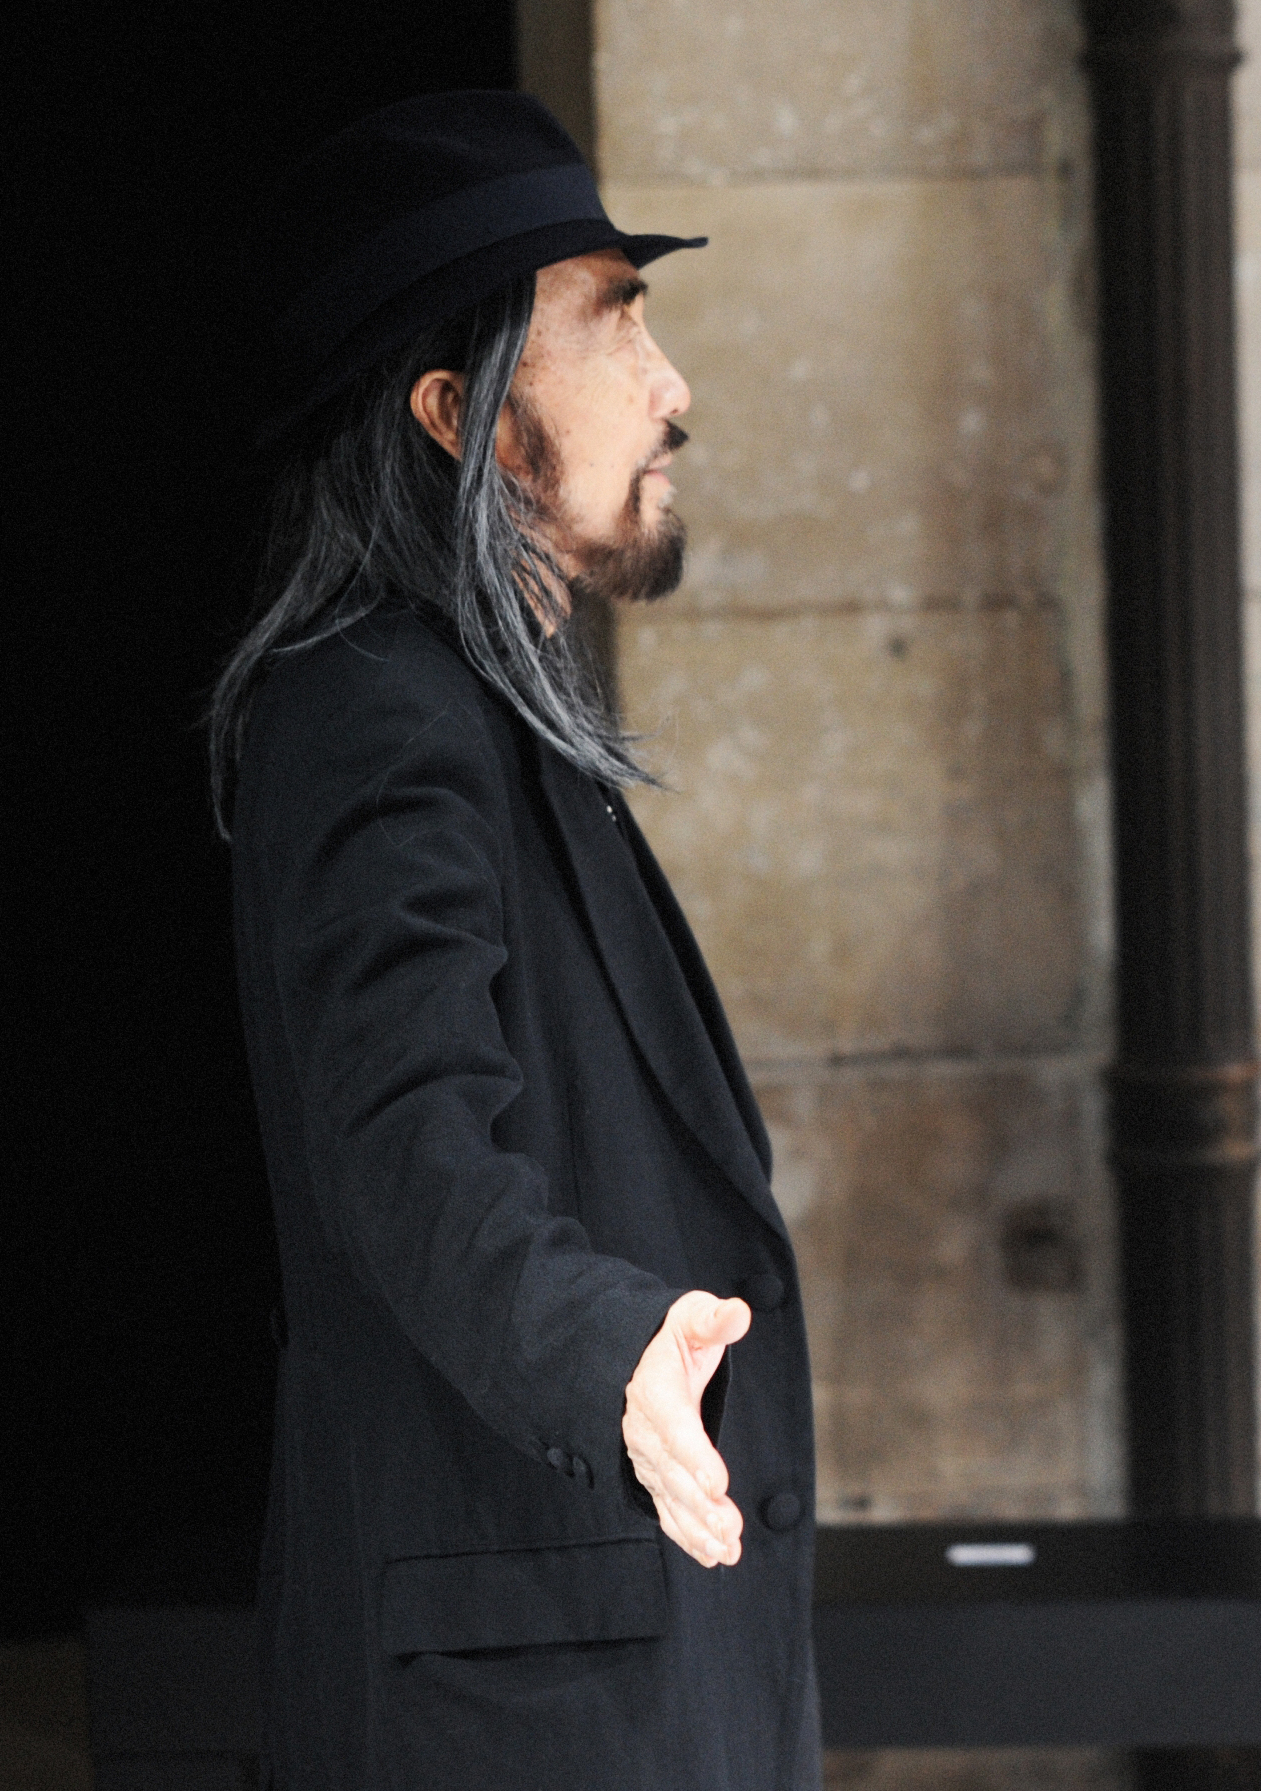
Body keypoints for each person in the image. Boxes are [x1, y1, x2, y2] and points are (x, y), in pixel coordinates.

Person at [214, 91, 820, 1790]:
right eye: (616, 319)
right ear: (460, 414)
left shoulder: (473, 707)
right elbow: (403, 1149)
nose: (672, 384)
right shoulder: (372, 715)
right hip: (522, 1705)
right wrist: (604, 1347)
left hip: (590, 1672)